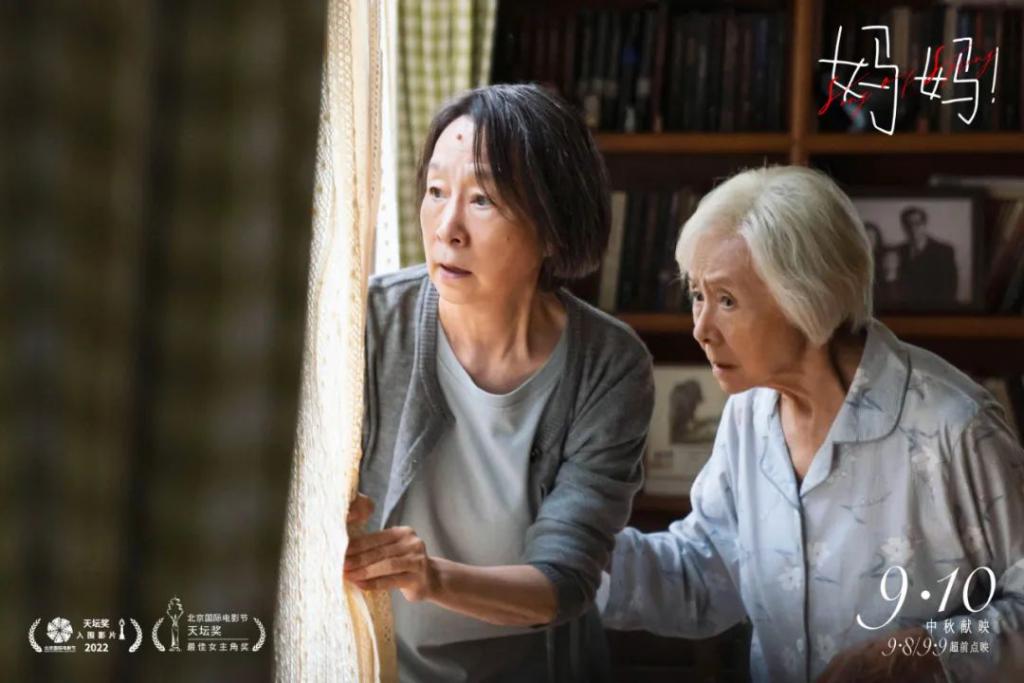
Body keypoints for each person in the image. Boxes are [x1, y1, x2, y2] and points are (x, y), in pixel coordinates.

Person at [601, 166, 1024, 682]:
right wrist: (565, 551)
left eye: (726, 300)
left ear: (806, 298)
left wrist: (923, 652)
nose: (701, 329)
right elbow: (703, 573)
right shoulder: (749, 414)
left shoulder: (955, 429)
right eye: (697, 295)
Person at [344, 84, 654, 682]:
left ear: (554, 227)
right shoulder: (367, 324)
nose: (447, 228)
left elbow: (566, 579)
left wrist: (432, 577)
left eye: (483, 200)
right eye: (436, 191)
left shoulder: (610, 365)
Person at [896, 206, 958, 307]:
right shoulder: (898, 251)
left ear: (925, 224)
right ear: (903, 227)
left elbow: (950, 288)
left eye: (917, 223)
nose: (913, 228)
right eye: (908, 224)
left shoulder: (944, 251)